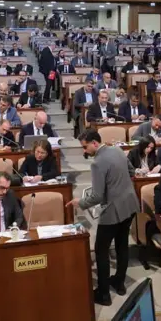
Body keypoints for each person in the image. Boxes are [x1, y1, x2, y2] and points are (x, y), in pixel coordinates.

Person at [66, 130, 138, 305]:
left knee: (101, 249)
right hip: (129, 204)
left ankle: (104, 294)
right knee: (122, 244)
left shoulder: (97, 163)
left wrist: (80, 202)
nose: (85, 151)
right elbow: (131, 170)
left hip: (113, 210)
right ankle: (119, 283)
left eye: (85, 147)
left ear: (95, 143)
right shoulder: (118, 150)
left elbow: (97, 196)